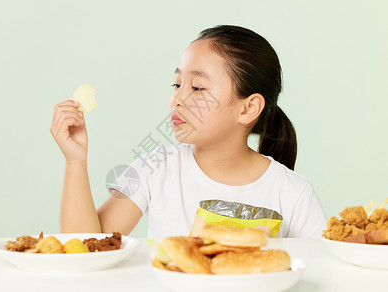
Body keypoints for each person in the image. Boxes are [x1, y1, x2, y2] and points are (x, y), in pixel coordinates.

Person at [50, 25, 327, 240]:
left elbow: (322, 274)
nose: (178, 99)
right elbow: (85, 247)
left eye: (197, 88)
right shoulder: (155, 166)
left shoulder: (294, 193)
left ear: (248, 108)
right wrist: (76, 162)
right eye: (176, 84)